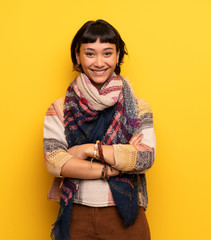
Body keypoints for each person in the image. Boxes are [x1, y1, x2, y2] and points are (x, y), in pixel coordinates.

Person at [43, 19, 156, 240]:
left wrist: (86, 150)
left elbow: (144, 159)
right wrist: (116, 166)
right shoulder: (59, 108)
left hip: (127, 215)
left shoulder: (139, 107)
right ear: (78, 57)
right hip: (76, 214)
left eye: (107, 53)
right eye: (90, 53)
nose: (98, 62)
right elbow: (55, 161)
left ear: (117, 57)